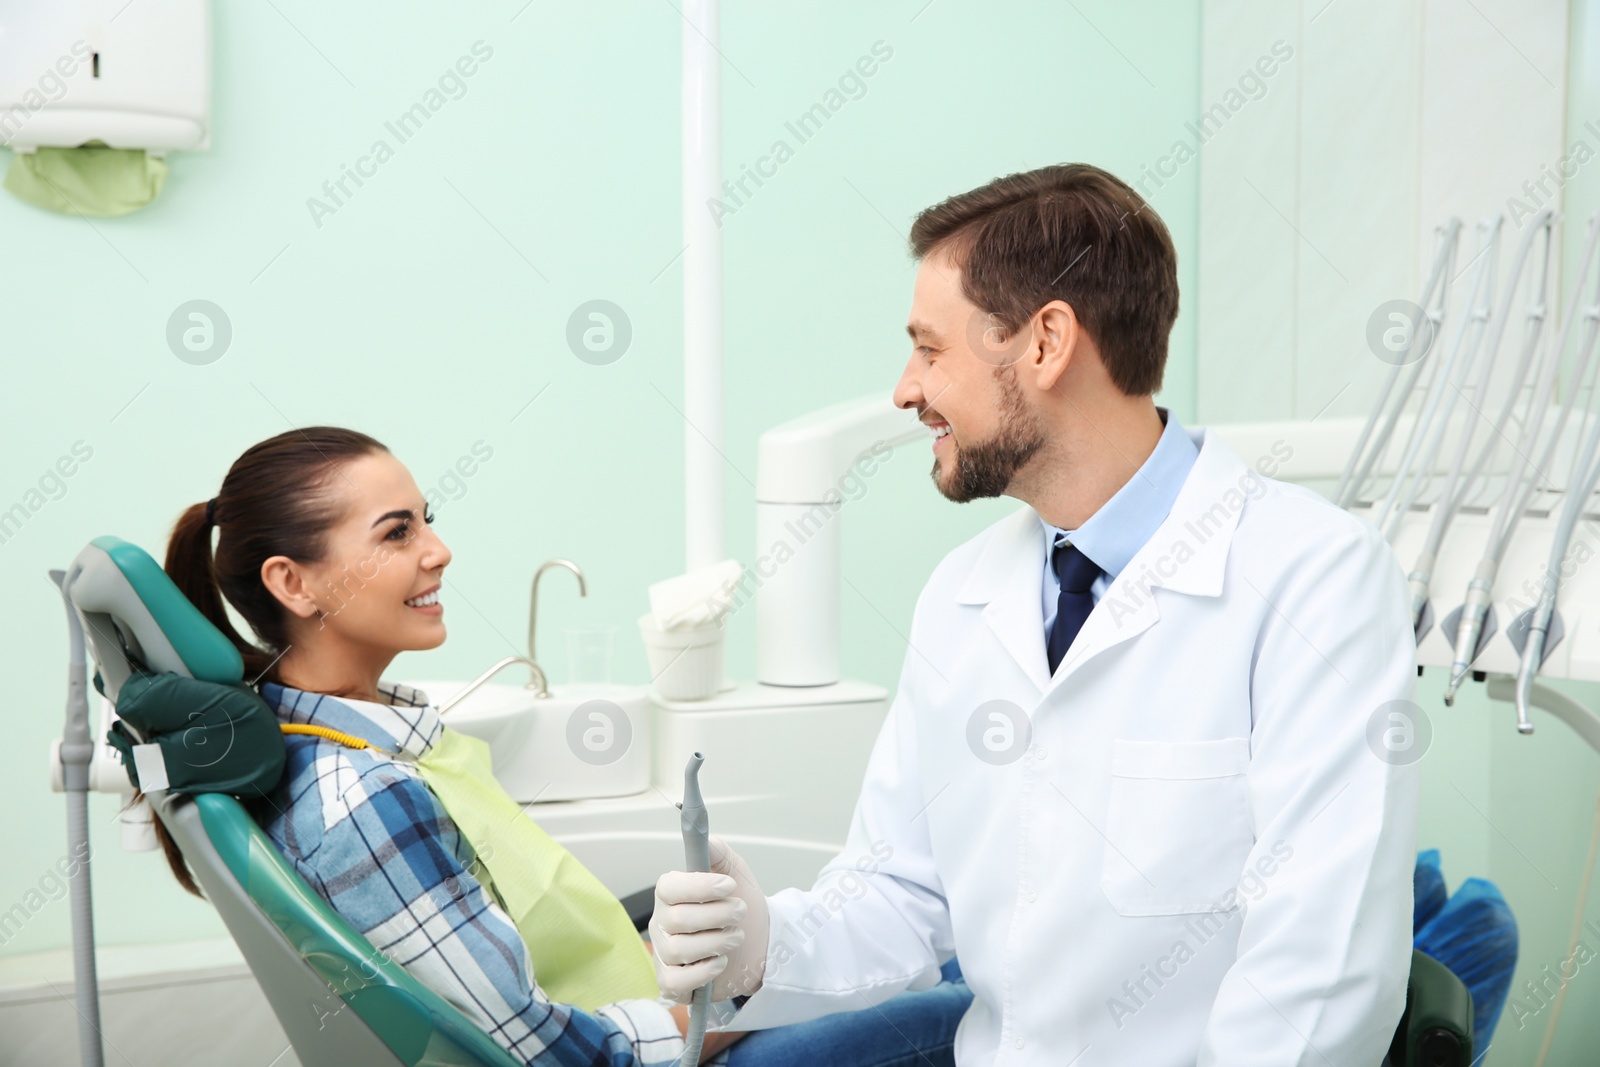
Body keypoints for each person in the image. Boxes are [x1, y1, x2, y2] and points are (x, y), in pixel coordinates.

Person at [649, 163, 1420, 1065]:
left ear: (1047, 342)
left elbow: (1318, 979)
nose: (905, 389)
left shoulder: (1313, 579)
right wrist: (761, 943)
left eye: (930, 350)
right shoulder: (961, 594)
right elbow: (902, 892)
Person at [158, 426, 972, 1066]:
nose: (438, 551)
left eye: (427, 522)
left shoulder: (339, 745)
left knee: (947, 956)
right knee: (982, 997)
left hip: (633, 1015)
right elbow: (554, 1057)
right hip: (651, 1053)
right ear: (292, 583)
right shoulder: (361, 797)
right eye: (396, 532)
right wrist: (728, 1008)